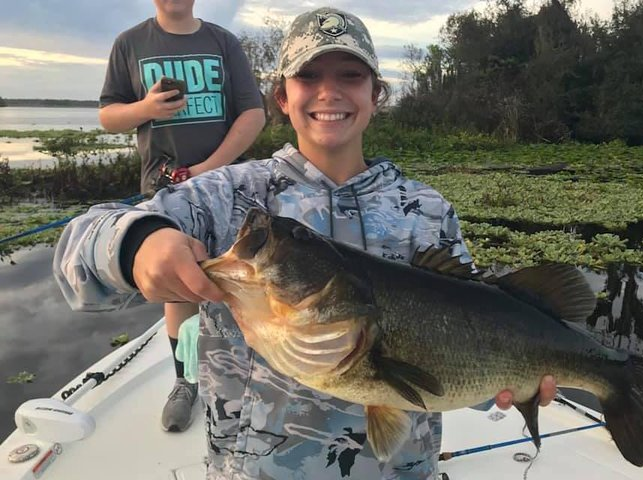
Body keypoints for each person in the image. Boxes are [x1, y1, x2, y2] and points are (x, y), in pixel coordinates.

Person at [56, 7, 556, 478]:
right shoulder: (231, 197)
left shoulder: (426, 211)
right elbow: (78, 251)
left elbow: (469, 352)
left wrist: (509, 385)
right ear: (281, 97)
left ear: (377, 95)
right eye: (309, 76)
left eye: (350, 76)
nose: (328, 93)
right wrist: (139, 243)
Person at [98, 0, 266, 433]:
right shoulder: (129, 43)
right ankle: (184, 381)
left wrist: (209, 168)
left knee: (240, 278)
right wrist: (145, 110)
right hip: (164, 190)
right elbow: (108, 116)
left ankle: (250, 375)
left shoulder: (223, 42)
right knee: (179, 290)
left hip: (229, 184)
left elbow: (253, 112)